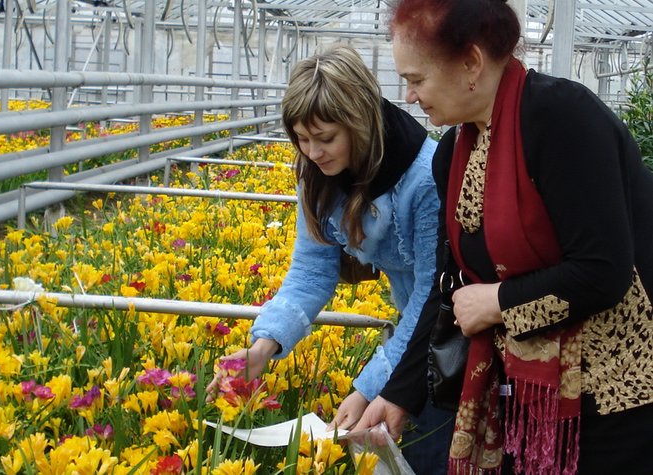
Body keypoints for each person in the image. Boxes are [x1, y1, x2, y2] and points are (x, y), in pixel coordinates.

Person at [353, 1, 653, 474]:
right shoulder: (453, 152)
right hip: (524, 395)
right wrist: (398, 394)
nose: (408, 96)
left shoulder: (562, 118)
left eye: (417, 79)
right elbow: (447, 287)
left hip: (613, 393)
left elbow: (604, 270)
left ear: (471, 63)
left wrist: (499, 302)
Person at [209, 45, 454, 474]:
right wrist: (262, 348)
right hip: (414, 335)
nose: (313, 152)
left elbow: (430, 295)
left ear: (359, 124)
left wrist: (369, 386)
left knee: (430, 451)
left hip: (448, 335)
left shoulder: (426, 175)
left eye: (325, 139)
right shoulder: (319, 177)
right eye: (301, 140)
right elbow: (311, 271)